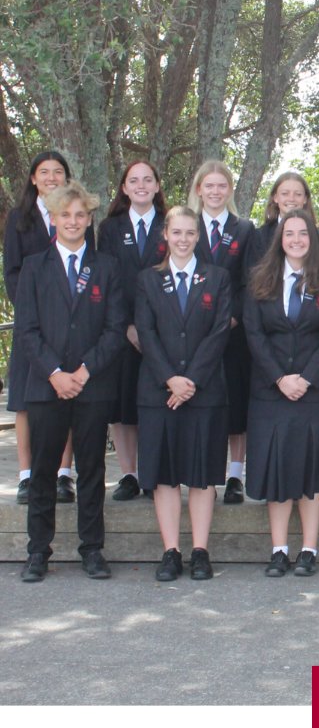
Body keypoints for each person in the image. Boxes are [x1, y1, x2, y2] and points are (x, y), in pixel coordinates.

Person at [16, 181, 125, 582]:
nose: (74, 221)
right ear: (55, 220)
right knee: (44, 471)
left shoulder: (107, 267)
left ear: (89, 218)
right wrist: (55, 374)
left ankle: (92, 549)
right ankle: (37, 552)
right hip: (47, 387)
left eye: (80, 215)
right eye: (66, 215)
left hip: (92, 385)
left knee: (92, 469)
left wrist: (83, 372)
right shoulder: (33, 267)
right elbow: (26, 331)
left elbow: (115, 330)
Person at [243, 208, 319, 576]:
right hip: (270, 393)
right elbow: (254, 335)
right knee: (277, 472)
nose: (297, 240)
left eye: (304, 233)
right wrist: (279, 378)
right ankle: (279, 549)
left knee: (312, 471)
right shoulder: (260, 280)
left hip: (314, 391)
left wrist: (306, 378)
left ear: (312, 238)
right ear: (280, 239)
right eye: (290, 234)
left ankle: (308, 550)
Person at [134, 206, 232, 581]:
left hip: (204, 391)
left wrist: (190, 380)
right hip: (159, 393)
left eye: (190, 233)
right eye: (177, 232)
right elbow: (146, 333)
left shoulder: (218, 278)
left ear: (198, 236)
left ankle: (200, 551)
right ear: (166, 236)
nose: (183, 239)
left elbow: (219, 332)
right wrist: (170, 380)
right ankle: (171, 551)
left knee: (202, 474)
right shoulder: (147, 280)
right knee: (165, 475)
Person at [3, 151, 87, 505]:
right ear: (33, 179)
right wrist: (32, 313)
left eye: (58, 172)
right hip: (32, 326)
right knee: (25, 400)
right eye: (44, 172)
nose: (51, 177)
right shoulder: (19, 218)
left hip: (70, 323)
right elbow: (12, 272)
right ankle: (26, 475)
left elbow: (87, 269)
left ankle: (63, 474)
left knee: (66, 397)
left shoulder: (78, 217)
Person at [96, 160, 168, 500]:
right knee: (122, 404)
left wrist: (152, 329)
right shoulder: (110, 229)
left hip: (164, 334)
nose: (141, 185)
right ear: (124, 188)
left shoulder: (173, 225)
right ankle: (129, 474)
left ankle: (154, 472)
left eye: (147, 179)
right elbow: (107, 281)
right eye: (133, 180)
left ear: (157, 186)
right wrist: (126, 326)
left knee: (156, 404)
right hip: (121, 333)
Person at [188, 160, 254, 505]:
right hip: (193, 333)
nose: (215, 192)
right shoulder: (187, 225)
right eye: (209, 186)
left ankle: (235, 475)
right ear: (199, 189)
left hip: (232, 332)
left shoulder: (245, 229)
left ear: (230, 191)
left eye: (221, 186)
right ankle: (204, 472)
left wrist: (231, 317)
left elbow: (250, 279)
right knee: (202, 401)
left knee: (235, 402)